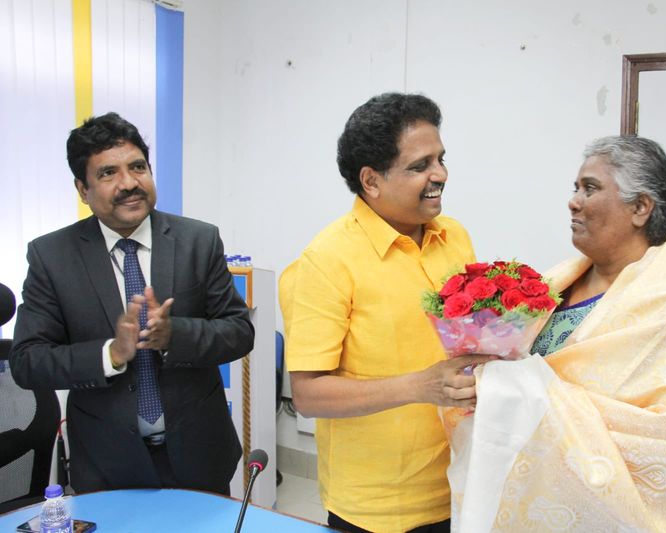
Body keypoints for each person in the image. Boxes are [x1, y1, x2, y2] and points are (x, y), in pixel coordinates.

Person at [447, 136, 666, 532]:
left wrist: (517, 391)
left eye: (590, 188)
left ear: (640, 208)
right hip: (531, 497)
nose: (574, 201)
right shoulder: (560, 280)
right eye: (575, 187)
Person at [279, 93, 493, 533]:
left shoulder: (454, 236)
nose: (441, 175)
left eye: (441, 159)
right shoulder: (328, 259)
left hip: (458, 483)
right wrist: (420, 386)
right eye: (420, 166)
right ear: (371, 181)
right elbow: (308, 395)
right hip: (377, 508)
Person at [10, 113, 254, 495]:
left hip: (199, 455)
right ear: (82, 189)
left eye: (138, 167)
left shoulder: (198, 240)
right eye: (108, 173)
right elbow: (27, 361)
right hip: (106, 461)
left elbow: (239, 331)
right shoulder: (51, 257)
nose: (129, 183)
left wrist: (175, 334)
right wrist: (111, 354)